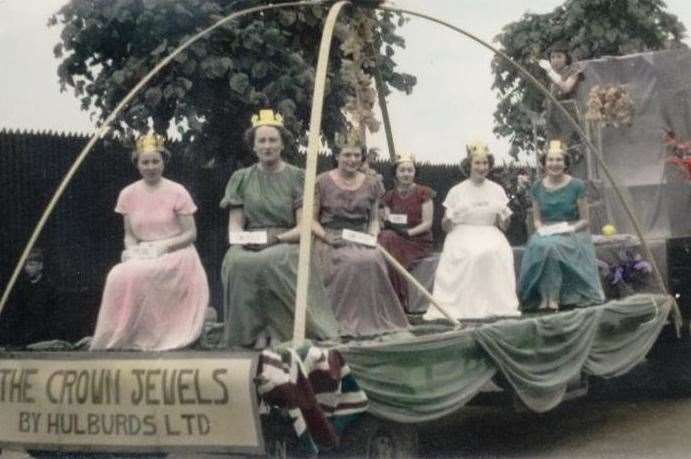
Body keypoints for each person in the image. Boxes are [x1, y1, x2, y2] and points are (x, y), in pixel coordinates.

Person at [220, 109, 339, 348]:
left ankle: (281, 331)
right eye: (261, 141)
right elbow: (235, 226)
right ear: (253, 146)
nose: (267, 146)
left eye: (272, 140)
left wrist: (276, 238)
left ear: (282, 143)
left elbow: (304, 226)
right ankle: (251, 333)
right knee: (237, 262)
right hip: (251, 240)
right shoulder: (241, 178)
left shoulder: (297, 177)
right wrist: (243, 241)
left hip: (287, 240)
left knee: (270, 261)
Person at [90, 133, 209, 351]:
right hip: (144, 252)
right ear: (137, 164)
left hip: (177, 254)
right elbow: (129, 234)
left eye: (156, 161)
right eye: (145, 162)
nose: (151, 167)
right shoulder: (128, 194)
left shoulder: (177, 191)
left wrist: (164, 247)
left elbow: (191, 234)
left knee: (138, 274)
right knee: (117, 275)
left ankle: (156, 336)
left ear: (164, 162)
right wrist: (132, 251)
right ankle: (124, 336)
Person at [313, 131, 409, 336]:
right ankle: (341, 321)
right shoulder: (321, 182)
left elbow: (374, 219)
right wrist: (325, 236)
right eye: (347, 155)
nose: (352, 160)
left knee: (373, 258)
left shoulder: (371, 183)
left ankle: (372, 320)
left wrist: (373, 237)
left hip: (361, 237)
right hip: (332, 238)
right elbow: (311, 221)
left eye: (357, 155)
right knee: (350, 262)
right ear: (337, 156)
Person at [426, 141, 520, 320]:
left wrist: (504, 215)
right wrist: (451, 216)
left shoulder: (497, 190)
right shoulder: (457, 191)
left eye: (485, 163)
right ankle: (464, 306)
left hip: (489, 232)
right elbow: (446, 227)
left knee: (495, 251)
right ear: (469, 165)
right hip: (462, 233)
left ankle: (495, 304)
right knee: (471, 254)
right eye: (477, 163)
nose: (481, 167)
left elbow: (504, 226)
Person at [518, 140, 605, 311]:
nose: (554, 164)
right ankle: (543, 298)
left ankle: (556, 297)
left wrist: (569, 229)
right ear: (544, 163)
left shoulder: (577, 186)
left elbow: (585, 220)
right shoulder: (537, 187)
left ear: (565, 163)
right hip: (547, 231)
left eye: (559, 160)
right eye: (550, 160)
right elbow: (536, 219)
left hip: (573, 230)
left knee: (553, 247)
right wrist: (541, 229)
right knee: (540, 245)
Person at [377, 152, 435, 312]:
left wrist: (409, 233)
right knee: (385, 237)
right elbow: (387, 221)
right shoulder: (389, 196)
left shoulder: (424, 193)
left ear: (415, 172)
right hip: (395, 237)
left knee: (388, 242)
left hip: (417, 240)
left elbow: (427, 223)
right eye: (402, 170)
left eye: (410, 170)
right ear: (395, 173)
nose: (406, 174)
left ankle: (397, 299)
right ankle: (386, 296)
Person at [0, 247, 61, 347]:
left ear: (40, 266)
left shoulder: (50, 289)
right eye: (25, 265)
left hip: (42, 337)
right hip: (23, 336)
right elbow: (16, 314)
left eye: (31, 265)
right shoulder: (21, 289)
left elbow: (52, 317)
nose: (27, 268)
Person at [539, 41, 584, 144]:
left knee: (568, 148)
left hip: (571, 118)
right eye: (553, 57)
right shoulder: (553, 76)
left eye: (559, 56)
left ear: (566, 58)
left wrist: (550, 72)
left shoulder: (574, 70)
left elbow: (566, 88)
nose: (555, 60)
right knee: (555, 150)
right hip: (554, 120)